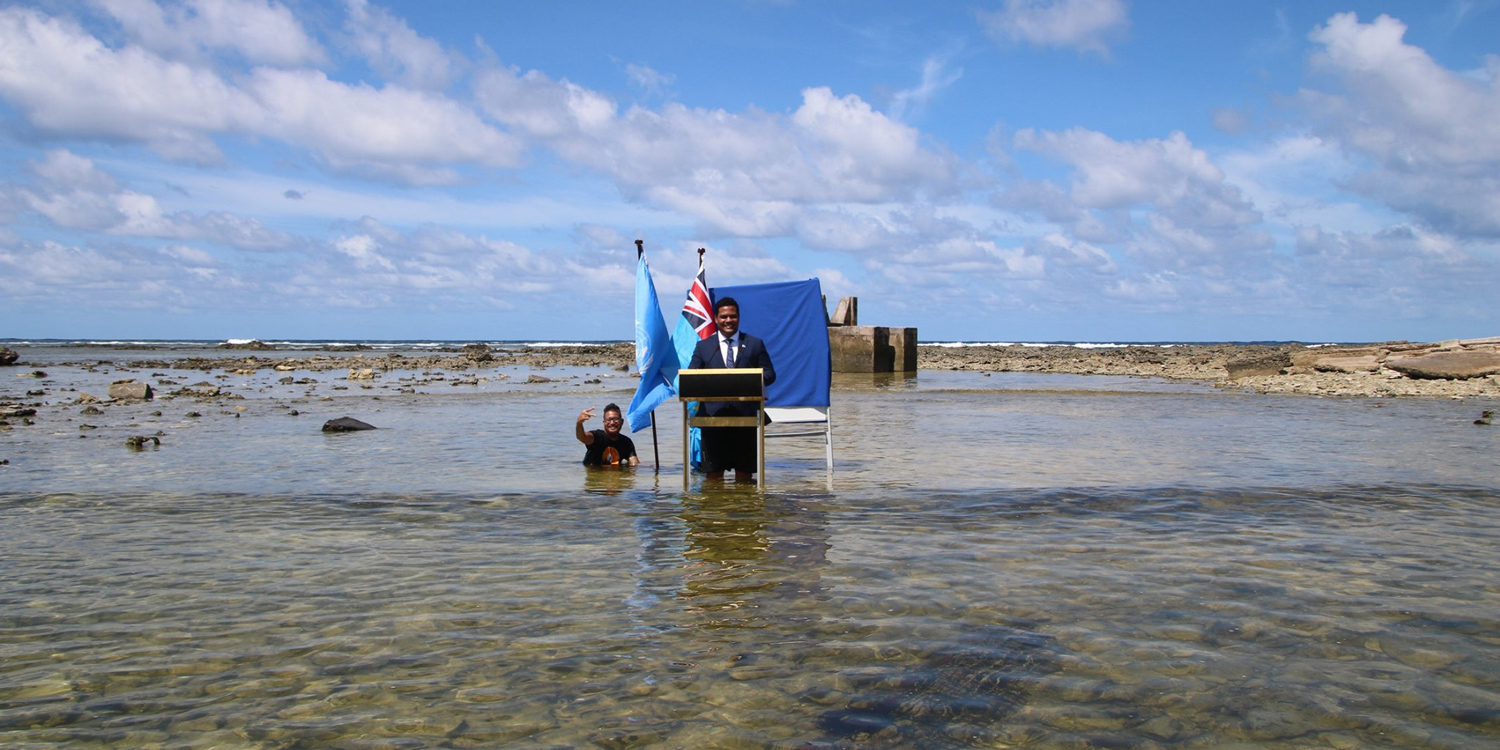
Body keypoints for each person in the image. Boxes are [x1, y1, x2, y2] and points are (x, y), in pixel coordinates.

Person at [688, 297, 775, 480]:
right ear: (716, 319)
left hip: (746, 417)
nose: (729, 320)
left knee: (744, 474)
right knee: (713, 474)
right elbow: (691, 375)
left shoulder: (754, 344)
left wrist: (748, 382)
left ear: (739, 317)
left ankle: (743, 507)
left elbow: (769, 374)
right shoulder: (704, 347)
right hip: (711, 419)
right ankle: (717, 507)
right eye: (724, 317)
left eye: (733, 316)